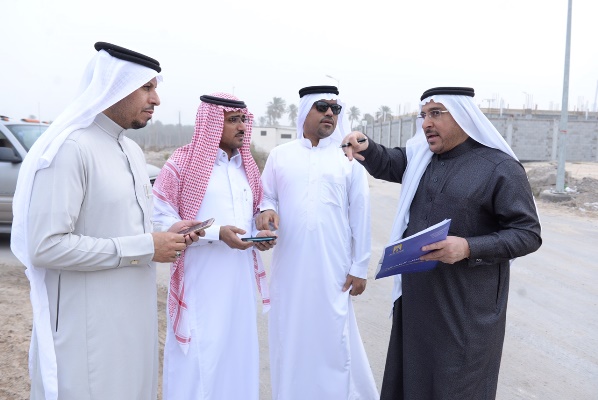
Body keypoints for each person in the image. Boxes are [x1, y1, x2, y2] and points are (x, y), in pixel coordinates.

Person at [10, 42, 204, 400]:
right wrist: (146, 247)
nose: (156, 99)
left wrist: (163, 236)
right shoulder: (72, 148)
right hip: (89, 331)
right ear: (114, 86)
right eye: (146, 87)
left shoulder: (131, 150)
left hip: (132, 321)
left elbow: (120, 228)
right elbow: (45, 247)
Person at [342, 86, 542, 400]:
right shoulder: (422, 159)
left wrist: (468, 247)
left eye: (436, 114)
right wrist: (365, 145)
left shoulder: (499, 168)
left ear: (462, 116)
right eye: (423, 115)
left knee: (458, 387)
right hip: (418, 303)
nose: (426, 123)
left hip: (466, 311)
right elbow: (390, 161)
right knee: (413, 383)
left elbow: (528, 233)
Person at [256, 85, 379, 399]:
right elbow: (267, 195)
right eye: (322, 107)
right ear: (304, 111)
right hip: (290, 268)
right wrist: (266, 209)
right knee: (290, 336)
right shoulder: (281, 155)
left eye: (335, 109)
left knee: (332, 339)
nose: (329, 114)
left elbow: (361, 214)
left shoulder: (348, 159)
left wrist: (360, 267)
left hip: (333, 269)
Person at [152, 93, 275, 400]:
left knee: (237, 359)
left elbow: (253, 212)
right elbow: (160, 219)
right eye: (233, 120)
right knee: (199, 362)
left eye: (244, 120)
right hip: (200, 283)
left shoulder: (247, 168)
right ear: (211, 122)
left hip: (239, 286)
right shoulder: (181, 164)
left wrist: (259, 231)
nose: (242, 127)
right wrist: (217, 233)